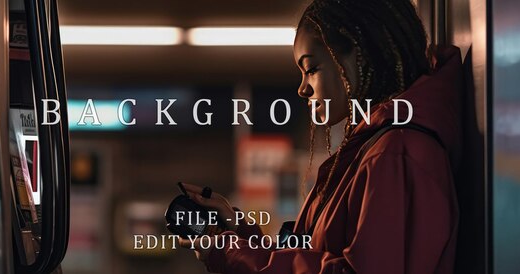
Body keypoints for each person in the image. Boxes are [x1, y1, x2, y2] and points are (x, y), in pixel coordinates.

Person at [180, 0, 463, 272]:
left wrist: (229, 252)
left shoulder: (394, 154)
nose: (302, 89)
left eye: (311, 68)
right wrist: (238, 232)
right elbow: (311, 255)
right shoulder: (370, 149)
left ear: (362, 54)